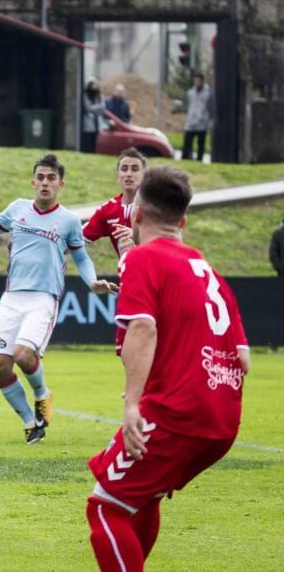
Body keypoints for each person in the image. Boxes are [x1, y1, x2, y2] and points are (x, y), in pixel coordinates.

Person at [85, 166, 250, 572]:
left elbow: (142, 328)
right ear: (184, 220)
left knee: (104, 508)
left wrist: (133, 407)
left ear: (136, 215)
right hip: (223, 418)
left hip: (179, 412)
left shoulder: (141, 259)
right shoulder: (206, 269)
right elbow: (243, 358)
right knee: (141, 497)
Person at [0, 154, 117, 444]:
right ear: (33, 182)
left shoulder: (68, 221)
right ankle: (31, 422)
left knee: (23, 355)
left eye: (51, 178)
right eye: (40, 177)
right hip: (12, 297)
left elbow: (81, 256)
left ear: (60, 184)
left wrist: (92, 283)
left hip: (43, 298)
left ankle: (42, 393)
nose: (45, 182)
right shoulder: (18, 208)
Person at [83, 148, 147, 258]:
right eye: (124, 169)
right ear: (118, 176)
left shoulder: (155, 206)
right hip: (127, 274)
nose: (129, 174)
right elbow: (75, 241)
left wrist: (137, 236)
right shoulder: (107, 210)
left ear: (144, 175)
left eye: (135, 169)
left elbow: (168, 243)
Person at [182, 72, 214, 162]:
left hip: (201, 122)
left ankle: (199, 159)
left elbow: (210, 107)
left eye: (199, 80)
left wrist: (208, 119)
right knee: (187, 142)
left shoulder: (208, 93)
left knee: (200, 143)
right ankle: (185, 158)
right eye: (196, 80)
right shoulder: (190, 92)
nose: (197, 82)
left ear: (202, 81)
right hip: (191, 122)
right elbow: (188, 106)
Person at [82, 77, 106, 153]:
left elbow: (103, 107)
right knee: (88, 142)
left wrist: (94, 108)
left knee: (95, 143)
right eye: (93, 84)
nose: (95, 86)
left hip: (97, 123)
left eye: (96, 84)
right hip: (88, 123)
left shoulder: (99, 95)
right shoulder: (85, 95)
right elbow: (88, 107)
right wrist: (97, 108)